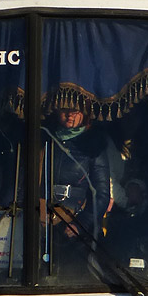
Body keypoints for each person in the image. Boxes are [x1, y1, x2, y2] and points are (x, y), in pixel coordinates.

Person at [45, 103, 111, 241]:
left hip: (76, 230)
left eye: (75, 110)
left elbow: (101, 194)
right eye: (64, 109)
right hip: (43, 222)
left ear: (85, 112)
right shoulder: (44, 139)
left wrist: (80, 224)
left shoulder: (94, 144)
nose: (70, 114)